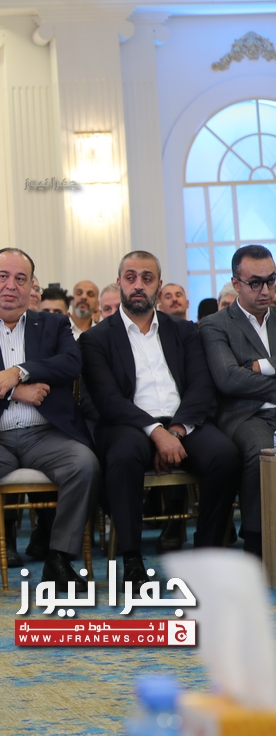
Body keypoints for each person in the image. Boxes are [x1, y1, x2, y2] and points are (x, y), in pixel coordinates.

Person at [0, 248, 99, 597]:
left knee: (84, 464)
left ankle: (59, 559)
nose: (11, 286)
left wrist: (18, 372)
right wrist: (16, 392)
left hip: (47, 434)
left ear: (31, 287)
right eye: (3, 276)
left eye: (20, 278)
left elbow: (70, 363)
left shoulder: (54, 324)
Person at [80, 251, 240, 583]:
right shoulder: (96, 338)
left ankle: (207, 554)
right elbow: (108, 399)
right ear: (120, 282)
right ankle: (132, 559)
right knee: (123, 455)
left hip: (183, 422)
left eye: (147, 278)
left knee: (225, 455)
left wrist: (176, 431)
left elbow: (201, 385)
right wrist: (156, 432)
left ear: (159, 284)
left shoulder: (184, 331)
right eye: (131, 278)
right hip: (127, 424)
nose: (138, 285)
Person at [200, 244, 276, 557]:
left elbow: (243, 375)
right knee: (261, 449)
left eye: (271, 280)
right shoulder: (215, 324)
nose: (265, 290)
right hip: (244, 414)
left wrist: (260, 366)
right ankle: (257, 541)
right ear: (236, 283)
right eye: (255, 283)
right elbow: (229, 379)